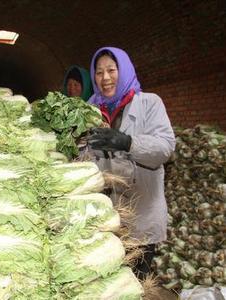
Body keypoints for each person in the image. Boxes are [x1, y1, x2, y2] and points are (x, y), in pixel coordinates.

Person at [86, 47, 176, 280]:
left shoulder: (149, 103)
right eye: (99, 72)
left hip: (141, 215)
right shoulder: (90, 109)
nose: (105, 78)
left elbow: (165, 148)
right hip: (105, 218)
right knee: (107, 284)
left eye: (111, 70)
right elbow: (84, 157)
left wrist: (128, 142)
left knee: (134, 282)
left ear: (124, 71)